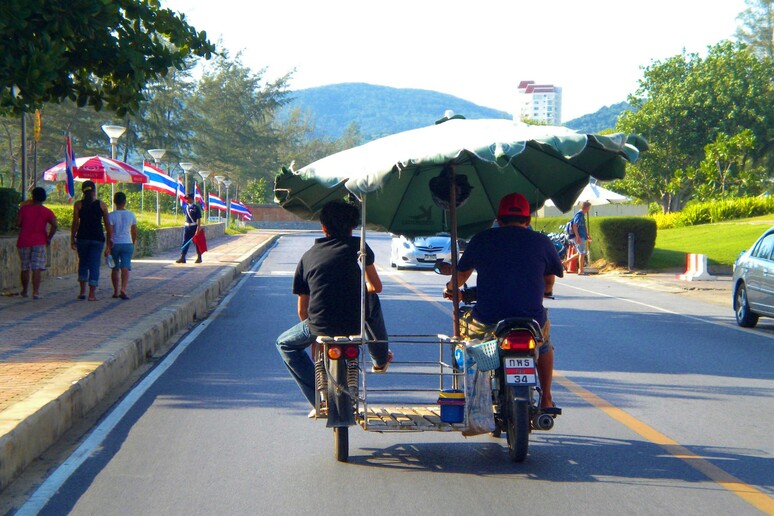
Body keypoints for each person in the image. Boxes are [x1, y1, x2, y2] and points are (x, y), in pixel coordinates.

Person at [443, 192, 563, 411]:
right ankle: (546, 398)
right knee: (544, 346)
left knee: (459, 321)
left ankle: (469, 391)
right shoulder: (542, 242)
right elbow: (549, 283)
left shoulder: (482, 239)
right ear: (528, 221)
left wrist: (451, 289)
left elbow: (460, 278)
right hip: (531, 322)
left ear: (498, 219)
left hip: (487, 322)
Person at [276, 200, 392, 409]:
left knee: (284, 344)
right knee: (370, 298)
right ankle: (380, 358)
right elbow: (376, 286)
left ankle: (319, 401)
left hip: (319, 325)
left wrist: (314, 337)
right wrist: (357, 288)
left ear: (323, 227)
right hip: (354, 323)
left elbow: (302, 310)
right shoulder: (359, 246)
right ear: (352, 227)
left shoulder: (307, 257)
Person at [71, 181, 112, 301]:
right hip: (97, 238)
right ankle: (92, 294)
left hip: (82, 237)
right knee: (94, 264)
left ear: (83, 191)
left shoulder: (78, 205)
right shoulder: (102, 205)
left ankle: (82, 292)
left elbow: (75, 223)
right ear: (94, 190)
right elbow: (108, 225)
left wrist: (72, 238)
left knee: (83, 263)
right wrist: (109, 242)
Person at [16, 187, 58, 299]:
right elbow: (55, 225)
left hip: (24, 241)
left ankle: (24, 290)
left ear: (33, 196)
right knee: (37, 267)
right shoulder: (47, 211)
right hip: (39, 241)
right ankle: (36, 292)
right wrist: (49, 237)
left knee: (25, 267)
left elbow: (18, 223)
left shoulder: (24, 209)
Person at [108, 191, 137, 300]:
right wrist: (132, 243)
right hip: (127, 243)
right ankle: (123, 289)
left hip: (115, 243)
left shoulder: (111, 215)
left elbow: (110, 232)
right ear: (125, 202)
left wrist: (108, 245)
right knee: (125, 267)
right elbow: (134, 232)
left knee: (115, 268)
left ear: (115, 202)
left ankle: (115, 291)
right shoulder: (131, 215)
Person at [563, 201, 592, 275]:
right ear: (586, 208)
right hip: (579, 236)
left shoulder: (581, 215)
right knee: (582, 253)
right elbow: (575, 225)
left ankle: (566, 262)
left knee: (580, 252)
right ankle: (581, 270)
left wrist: (587, 234)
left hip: (582, 236)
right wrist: (577, 236)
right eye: (589, 208)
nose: (589, 209)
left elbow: (583, 226)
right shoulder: (579, 215)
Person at [176, 193, 202, 264]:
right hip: (187, 227)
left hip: (194, 227)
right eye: (186, 199)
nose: (186, 200)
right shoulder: (186, 207)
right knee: (185, 242)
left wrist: (198, 228)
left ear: (191, 199)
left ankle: (199, 257)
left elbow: (199, 218)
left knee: (196, 243)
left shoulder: (196, 207)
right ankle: (182, 257)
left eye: (188, 199)